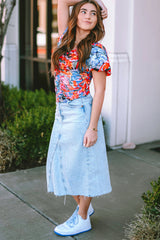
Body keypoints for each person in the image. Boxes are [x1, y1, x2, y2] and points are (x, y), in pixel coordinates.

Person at [46, 0, 112, 236]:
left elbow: (100, 91)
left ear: (97, 20)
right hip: (61, 111)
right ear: (77, 15)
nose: (87, 15)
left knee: (82, 167)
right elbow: (62, 1)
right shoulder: (65, 36)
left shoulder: (96, 50)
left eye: (93, 13)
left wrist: (92, 127)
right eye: (83, 11)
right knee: (61, 166)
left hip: (80, 112)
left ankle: (83, 218)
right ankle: (85, 205)